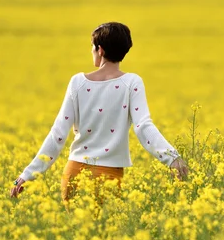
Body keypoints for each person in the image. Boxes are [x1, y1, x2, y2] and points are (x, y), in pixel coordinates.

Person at [10, 22, 188, 208]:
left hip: (74, 173)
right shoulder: (132, 83)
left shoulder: (77, 82)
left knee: (75, 235)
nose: (92, 51)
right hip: (109, 176)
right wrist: (172, 158)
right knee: (103, 233)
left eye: (93, 47)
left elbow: (58, 135)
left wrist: (25, 176)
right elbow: (143, 127)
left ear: (100, 50)